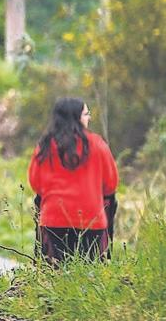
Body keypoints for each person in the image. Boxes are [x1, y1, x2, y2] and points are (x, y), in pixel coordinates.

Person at [29, 98, 118, 264]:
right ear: (76, 117)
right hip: (91, 221)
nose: (89, 118)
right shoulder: (97, 144)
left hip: (54, 220)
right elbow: (110, 185)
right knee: (89, 273)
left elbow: (36, 184)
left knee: (55, 272)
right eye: (86, 114)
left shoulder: (45, 145)